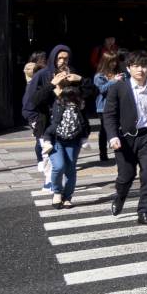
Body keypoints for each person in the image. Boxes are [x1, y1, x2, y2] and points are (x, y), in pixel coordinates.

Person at [104, 51, 147, 224]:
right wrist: (112, 136)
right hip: (125, 138)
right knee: (126, 176)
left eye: (144, 66)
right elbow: (109, 115)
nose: (141, 70)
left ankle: (144, 211)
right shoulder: (118, 87)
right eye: (136, 66)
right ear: (129, 68)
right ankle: (120, 196)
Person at [23, 45, 72, 191]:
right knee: (47, 153)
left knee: (62, 154)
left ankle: (58, 182)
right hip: (43, 120)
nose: (62, 61)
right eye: (60, 58)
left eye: (66, 58)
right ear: (53, 58)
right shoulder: (42, 74)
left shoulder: (70, 73)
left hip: (65, 121)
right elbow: (33, 99)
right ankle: (49, 181)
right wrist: (52, 85)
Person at [41, 71, 91, 208]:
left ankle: (67, 196)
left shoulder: (78, 98)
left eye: (67, 76)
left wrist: (81, 78)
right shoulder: (50, 93)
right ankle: (57, 192)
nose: (64, 79)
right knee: (58, 166)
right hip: (55, 138)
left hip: (73, 140)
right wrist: (51, 85)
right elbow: (34, 100)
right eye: (60, 76)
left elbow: (94, 90)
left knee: (70, 169)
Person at [93, 54, 124, 162]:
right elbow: (102, 89)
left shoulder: (118, 73)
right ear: (105, 62)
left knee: (118, 128)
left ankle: (119, 150)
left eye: (115, 61)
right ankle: (103, 153)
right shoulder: (99, 76)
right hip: (103, 107)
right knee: (104, 130)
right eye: (111, 61)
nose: (114, 64)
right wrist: (113, 81)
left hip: (117, 105)